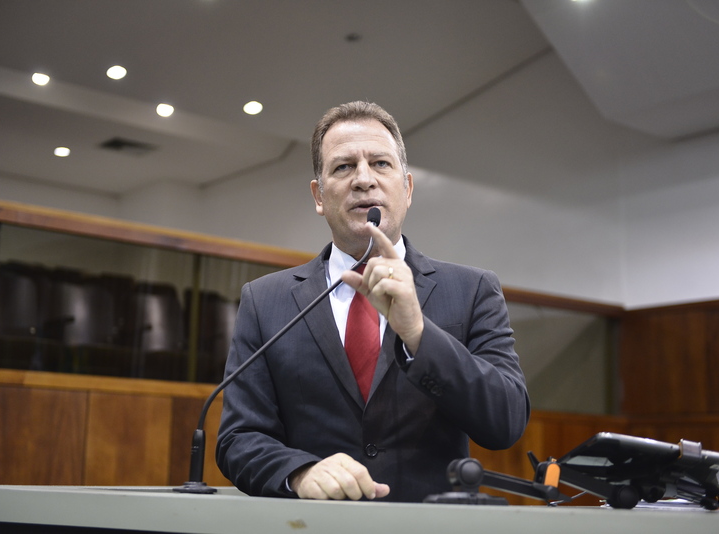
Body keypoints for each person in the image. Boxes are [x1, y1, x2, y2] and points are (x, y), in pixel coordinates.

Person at [216, 101, 529, 503]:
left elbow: (505, 422)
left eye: (380, 163)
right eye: (343, 167)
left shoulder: (472, 290)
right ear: (319, 195)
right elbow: (238, 438)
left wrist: (418, 333)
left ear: (407, 189)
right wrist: (300, 472)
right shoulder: (264, 301)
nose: (364, 179)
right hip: (311, 525)